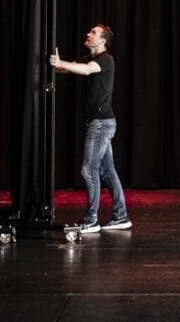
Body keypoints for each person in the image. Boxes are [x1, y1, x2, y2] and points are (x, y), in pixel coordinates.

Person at [50, 24, 132, 233]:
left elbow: (86, 70)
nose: (88, 34)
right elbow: (73, 67)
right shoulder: (90, 58)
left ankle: (90, 221)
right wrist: (58, 65)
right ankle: (121, 216)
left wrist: (62, 64)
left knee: (89, 170)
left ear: (102, 41)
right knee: (108, 172)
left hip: (101, 124)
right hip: (102, 123)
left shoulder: (106, 59)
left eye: (93, 32)